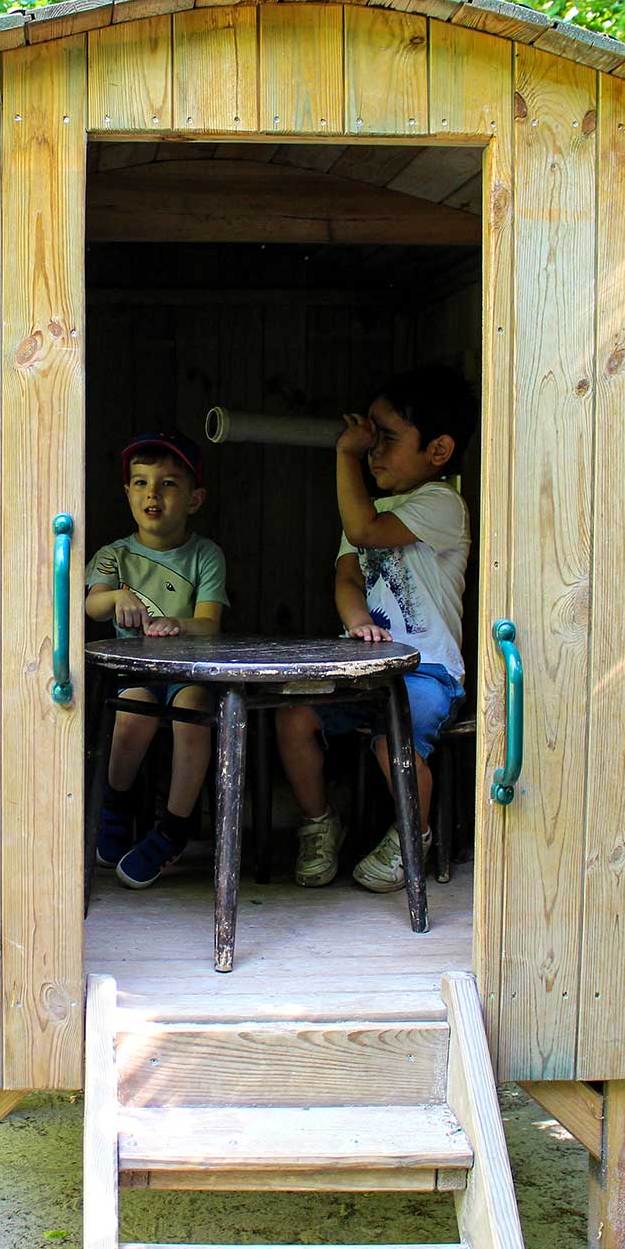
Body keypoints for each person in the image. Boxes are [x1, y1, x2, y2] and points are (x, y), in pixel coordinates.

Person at [276, 370, 473, 892]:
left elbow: (364, 531)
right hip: (363, 667)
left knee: (394, 739)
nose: (370, 451)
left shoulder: (442, 503)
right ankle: (320, 822)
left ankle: (413, 836)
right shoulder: (364, 510)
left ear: (438, 450)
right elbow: (347, 576)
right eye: (367, 440)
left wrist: (344, 456)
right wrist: (357, 621)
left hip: (426, 670)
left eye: (386, 438)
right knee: (293, 717)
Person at [85, 430, 230, 889]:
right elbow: (92, 605)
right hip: (136, 672)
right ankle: (116, 804)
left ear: (194, 498)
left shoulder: (205, 555)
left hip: (189, 670)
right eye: (141, 482)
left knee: (193, 710)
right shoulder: (113, 556)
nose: (153, 494)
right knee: (133, 711)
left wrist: (177, 624)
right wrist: (116, 598)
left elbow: (209, 624)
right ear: (127, 492)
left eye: (168, 483)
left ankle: (174, 827)